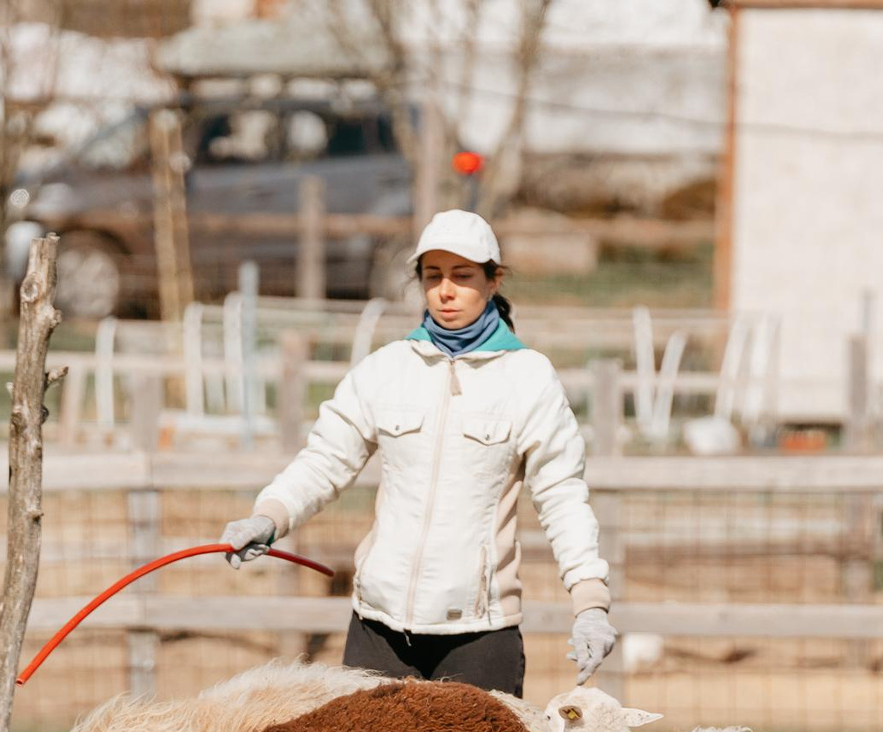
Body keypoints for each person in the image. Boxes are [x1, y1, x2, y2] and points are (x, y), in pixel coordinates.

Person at [217, 209, 617, 696]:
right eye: (433, 276)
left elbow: (562, 496)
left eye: (462, 276)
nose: (446, 291)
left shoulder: (528, 379)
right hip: (378, 631)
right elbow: (325, 461)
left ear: (493, 280)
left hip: (480, 635)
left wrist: (590, 602)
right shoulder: (386, 370)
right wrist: (269, 516)